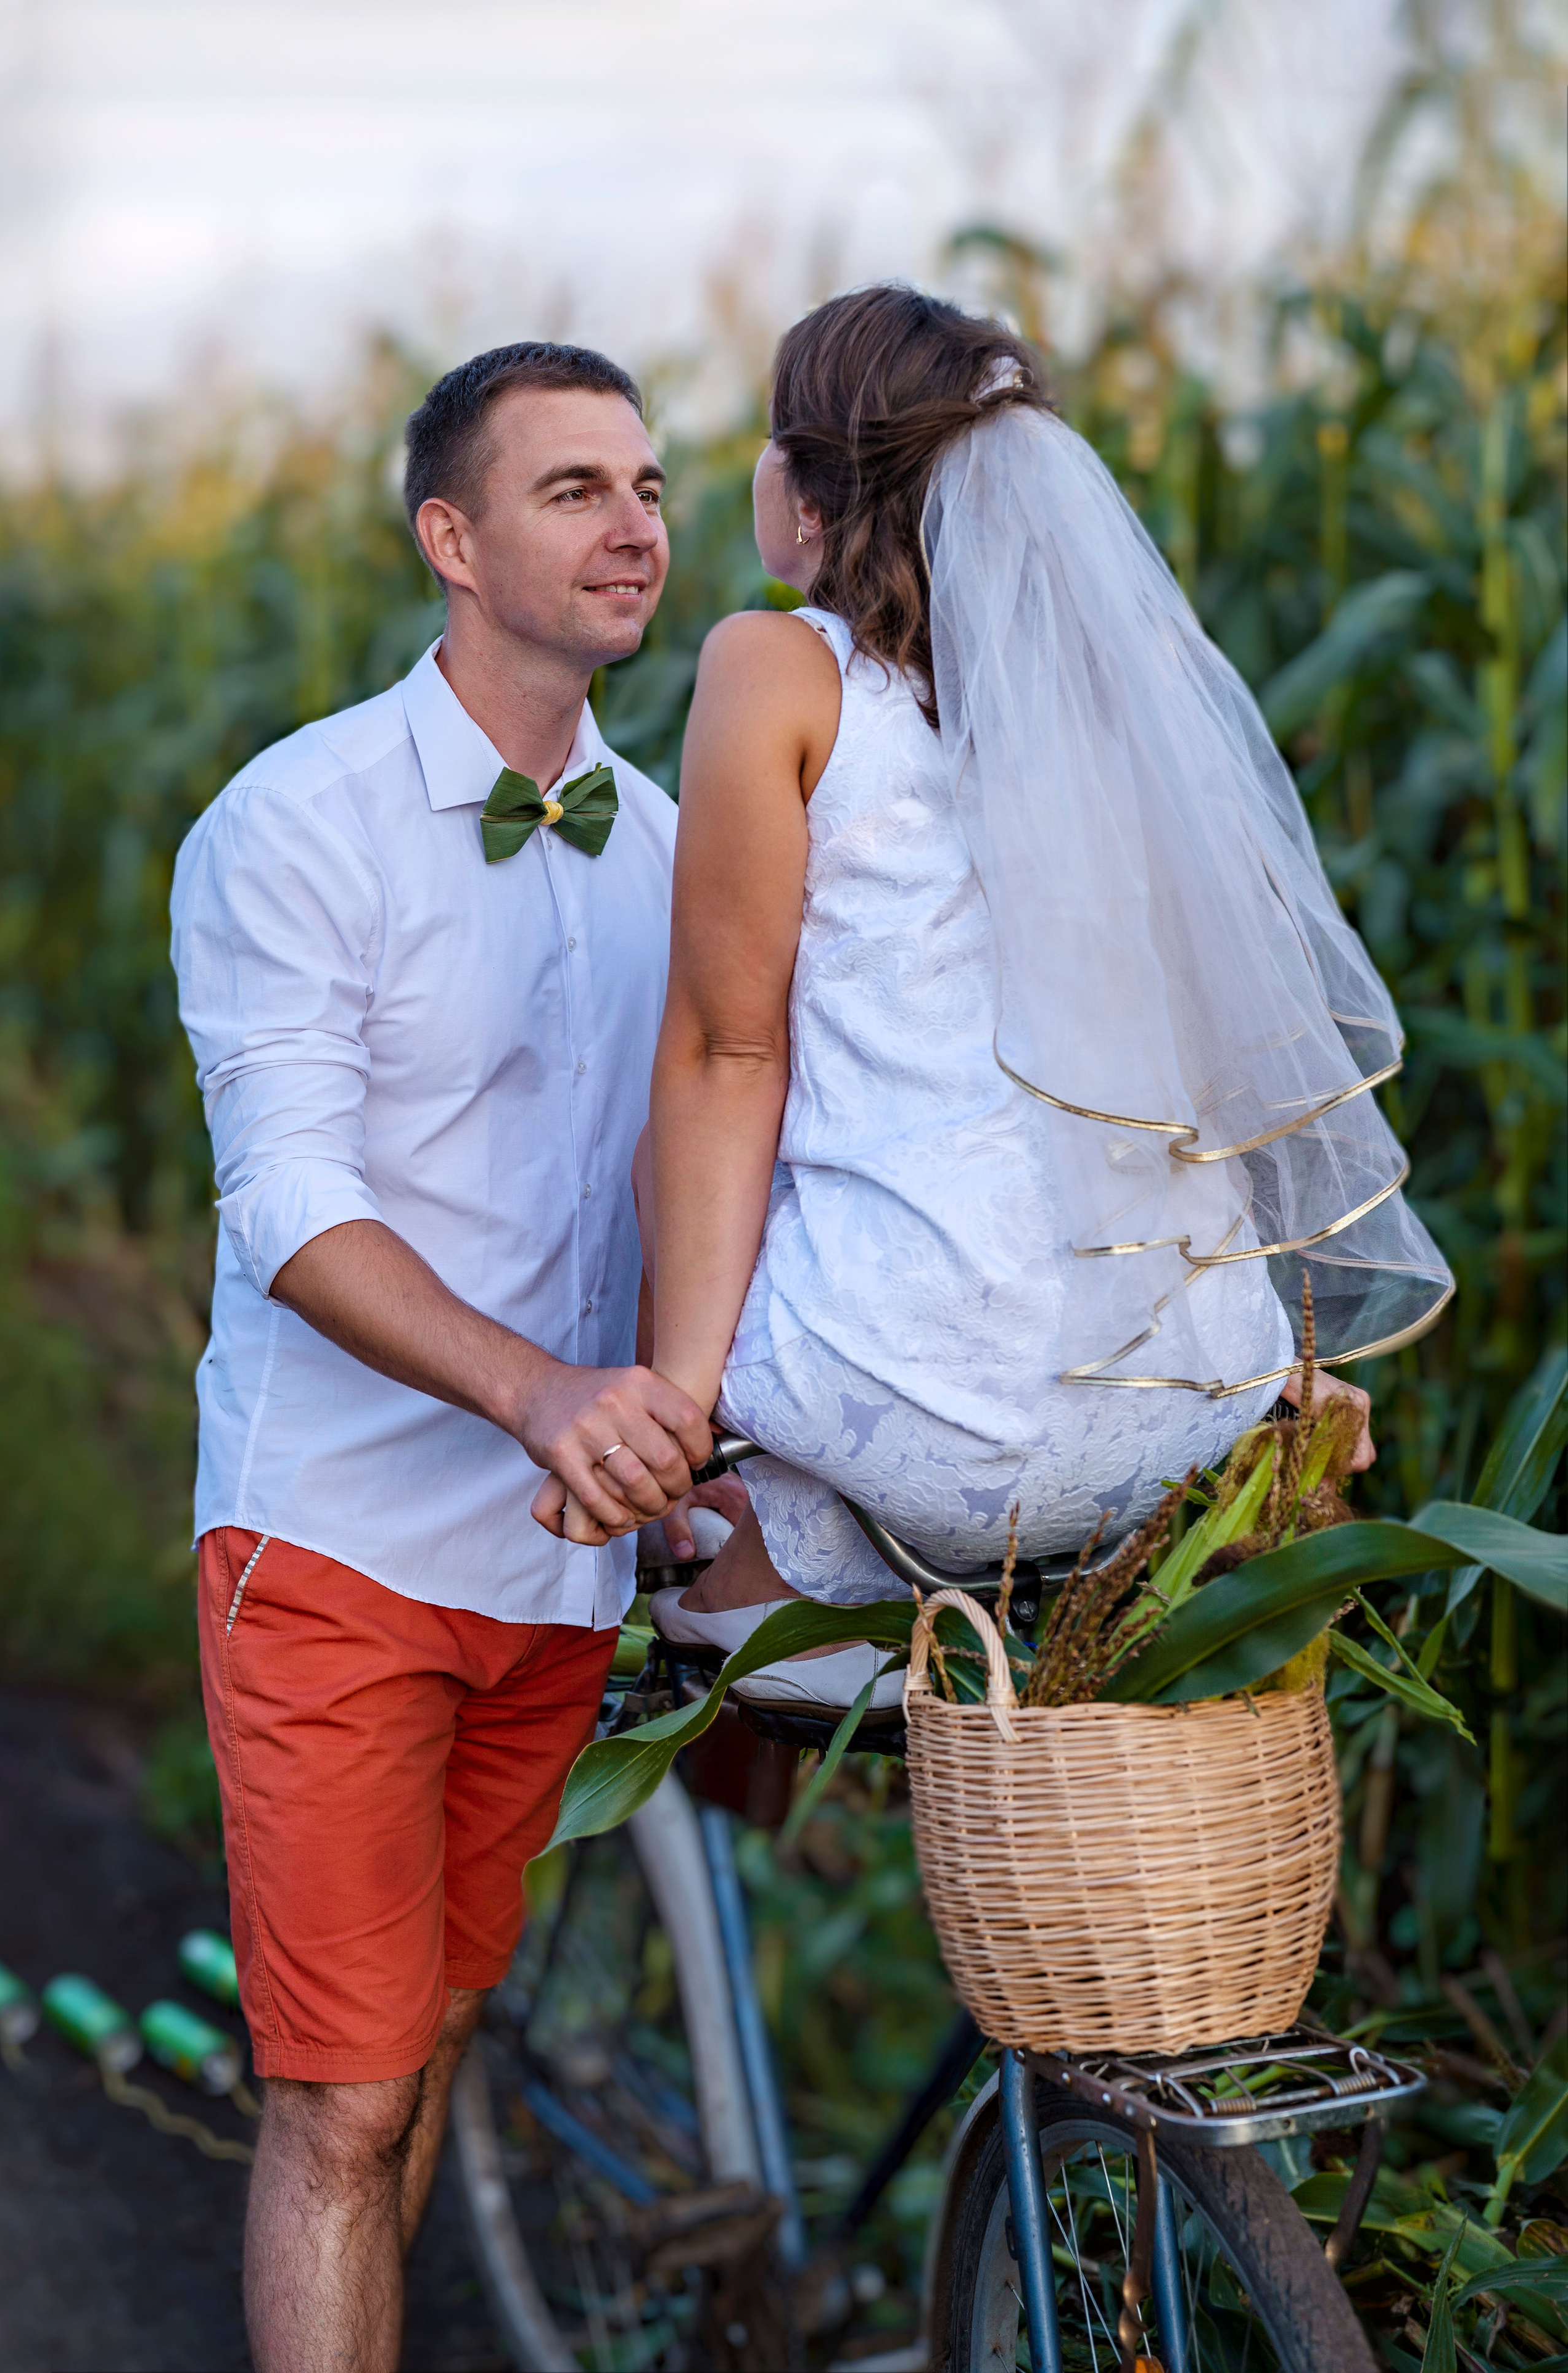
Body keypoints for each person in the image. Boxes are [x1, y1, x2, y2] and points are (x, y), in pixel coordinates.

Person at [602, 285, 1453, 1713]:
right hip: (1185, 1409)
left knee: (668, 1122)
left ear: (808, 487)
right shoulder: (1102, 703)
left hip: (937, 1433)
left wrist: (677, 1415)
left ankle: (773, 1573)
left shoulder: (774, 665)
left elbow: (726, 1050)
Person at [170, 341, 732, 2373]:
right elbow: (292, 1207)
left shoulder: (675, 842)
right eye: (573, 485)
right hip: (333, 1546)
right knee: (339, 2092)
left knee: (428, 2048)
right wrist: (543, 1393)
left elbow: (693, 1179)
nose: (637, 522)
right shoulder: (295, 822)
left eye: (650, 482)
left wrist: (704, 1427)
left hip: (556, 1569)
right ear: (452, 538)